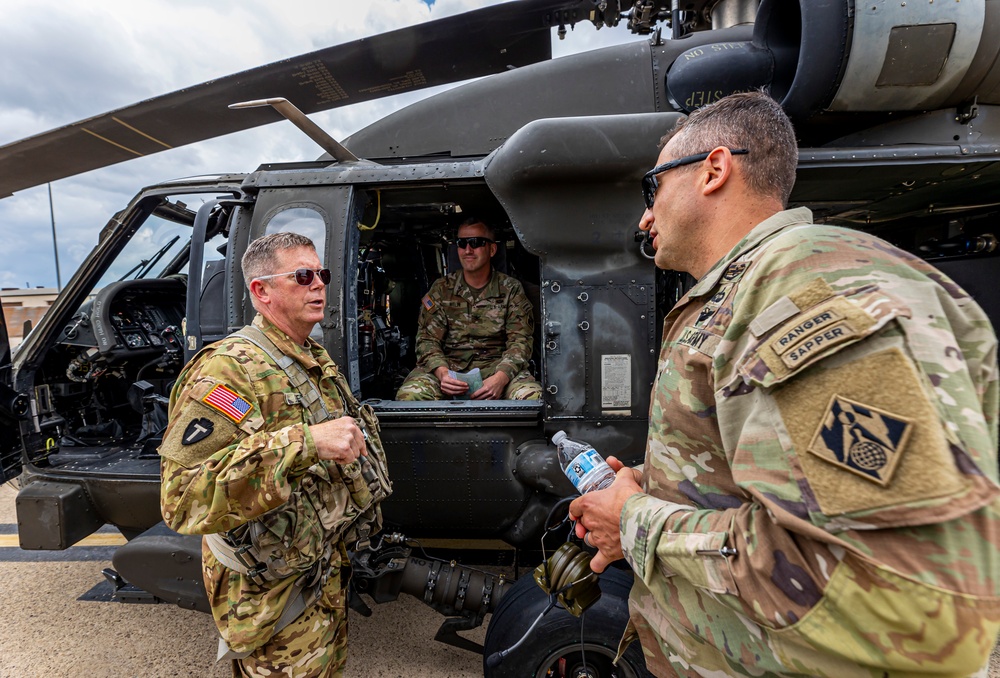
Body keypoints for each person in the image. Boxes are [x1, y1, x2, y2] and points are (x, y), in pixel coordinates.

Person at [569, 92, 1000, 676]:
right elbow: (778, 472)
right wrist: (662, 480)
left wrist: (637, 520)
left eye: (653, 188)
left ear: (714, 170)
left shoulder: (807, 291)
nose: (644, 217)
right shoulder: (749, 290)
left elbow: (901, 595)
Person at [159, 232, 390, 677]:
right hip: (272, 597)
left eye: (321, 274)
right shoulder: (228, 370)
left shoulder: (310, 357)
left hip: (318, 573)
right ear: (261, 291)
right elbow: (182, 498)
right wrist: (305, 442)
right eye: (303, 275)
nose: (319, 284)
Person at [396, 217, 541, 400]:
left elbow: (520, 342)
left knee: (531, 397)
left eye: (476, 242)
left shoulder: (511, 289)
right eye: (461, 243)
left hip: (497, 368)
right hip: (448, 369)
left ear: (492, 249)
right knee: (409, 396)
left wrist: (501, 378)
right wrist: (442, 373)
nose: (468, 250)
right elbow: (427, 340)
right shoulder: (441, 289)